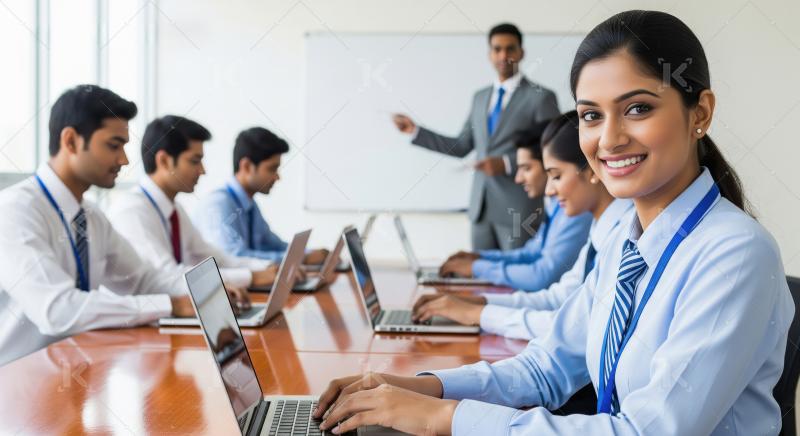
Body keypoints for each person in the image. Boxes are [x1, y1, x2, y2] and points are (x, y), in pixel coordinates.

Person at [313, 11, 793, 435]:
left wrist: (443, 418)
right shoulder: (628, 246)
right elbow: (546, 368)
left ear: (700, 113)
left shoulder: (734, 253)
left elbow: (647, 431)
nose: (609, 139)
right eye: (590, 115)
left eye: (638, 108)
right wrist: (417, 386)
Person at [0, 85, 217, 366]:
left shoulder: (91, 216)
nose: (124, 160)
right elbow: (57, 310)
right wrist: (169, 305)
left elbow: (141, 280)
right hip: (16, 386)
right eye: (114, 145)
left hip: (75, 369)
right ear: (71, 141)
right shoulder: (14, 211)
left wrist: (206, 291)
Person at [413, 111, 634, 341]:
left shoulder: (612, 233)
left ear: (591, 171)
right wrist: (478, 303)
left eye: (556, 176)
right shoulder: (597, 228)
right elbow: (557, 297)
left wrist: (478, 311)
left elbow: (572, 322)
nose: (549, 190)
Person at [392, 23, 560, 251]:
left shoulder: (540, 97)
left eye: (510, 49)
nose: (503, 55)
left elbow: (552, 147)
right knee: (478, 278)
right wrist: (415, 131)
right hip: (480, 210)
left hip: (519, 210)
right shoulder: (480, 98)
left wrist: (507, 163)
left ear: (521, 53)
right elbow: (462, 145)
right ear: (490, 54)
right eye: (497, 49)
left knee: (515, 280)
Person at [109, 115, 279, 291]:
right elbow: (168, 276)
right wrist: (250, 277)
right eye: (194, 161)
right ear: (164, 161)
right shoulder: (133, 210)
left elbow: (213, 259)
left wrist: (264, 267)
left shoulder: (175, 210)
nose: (202, 170)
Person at [438, 118, 593, 291]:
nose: (518, 178)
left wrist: (477, 267)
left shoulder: (576, 209)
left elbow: (542, 276)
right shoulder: (556, 205)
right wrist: (479, 258)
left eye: (526, 168)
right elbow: (531, 253)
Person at [193, 126, 328, 264]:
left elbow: (274, 245)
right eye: (272, 168)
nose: (277, 177)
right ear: (246, 166)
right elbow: (234, 259)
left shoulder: (249, 204)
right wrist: (301, 258)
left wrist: (310, 253)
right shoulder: (218, 204)